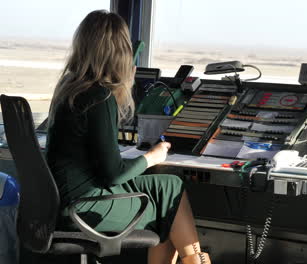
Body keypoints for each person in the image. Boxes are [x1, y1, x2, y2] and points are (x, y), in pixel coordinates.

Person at [45, 10, 210, 264]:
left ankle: (194, 259)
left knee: (168, 187)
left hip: (64, 203)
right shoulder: (99, 95)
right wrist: (151, 157)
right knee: (168, 201)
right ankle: (196, 259)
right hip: (85, 208)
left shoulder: (70, 89)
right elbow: (113, 174)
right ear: (120, 53)